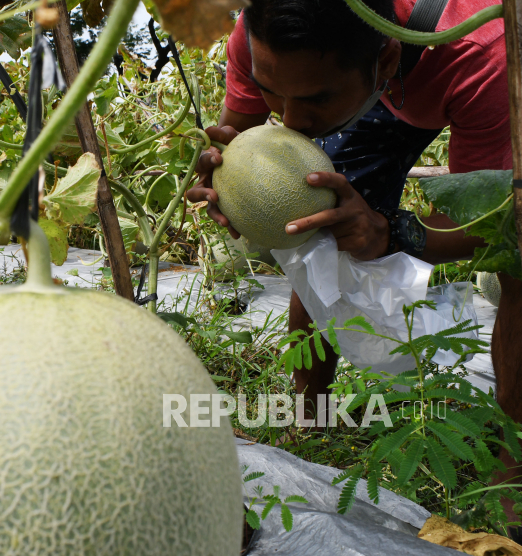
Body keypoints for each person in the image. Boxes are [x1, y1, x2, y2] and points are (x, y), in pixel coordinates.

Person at [187, 0, 522, 519]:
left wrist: (389, 231)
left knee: (518, 256)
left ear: (385, 62)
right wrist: (225, 180)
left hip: (445, 76)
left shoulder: (481, 54)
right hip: (368, 91)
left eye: (313, 98)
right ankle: (312, 413)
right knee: (318, 222)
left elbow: (489, 221)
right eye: (274, 92)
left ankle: (511, 467)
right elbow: (237, 140)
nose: (291, 120)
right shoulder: (263, 38)